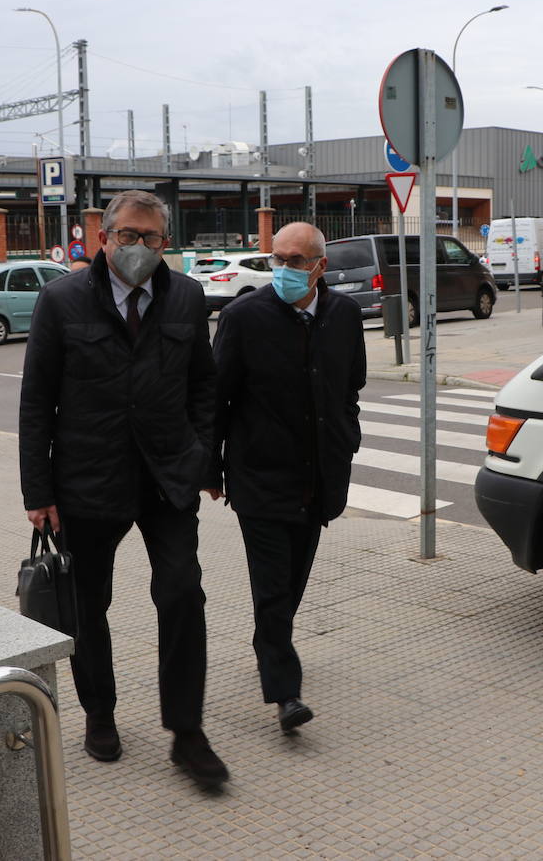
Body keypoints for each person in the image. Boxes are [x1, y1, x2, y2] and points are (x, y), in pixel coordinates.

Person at [19, 190, 229, 788]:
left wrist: (200, 461)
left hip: (167, 479)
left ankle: (187, 731)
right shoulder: (61, 299)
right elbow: (36, 402)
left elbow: (203, 388)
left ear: (167, 242)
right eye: (129, 236)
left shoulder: (185, 296)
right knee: (90, 606)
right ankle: (100, 714)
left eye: (153, 238)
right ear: (103, 239)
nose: (141, 248)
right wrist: (39, 491)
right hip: (87, 480)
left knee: (184, 594)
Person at [204, 221, 366, 733]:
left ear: (320, 266)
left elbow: (350, 387)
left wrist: (347, 438)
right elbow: (215, 400)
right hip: (259, 478)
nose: (284, 269)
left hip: (318, 479)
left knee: (292, 582)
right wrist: (209, 467)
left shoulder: (343, 314)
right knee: (272, 589)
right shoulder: (242, 317)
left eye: (296, 261)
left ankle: (273, 643)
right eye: (277, 259)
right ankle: (284, 692)